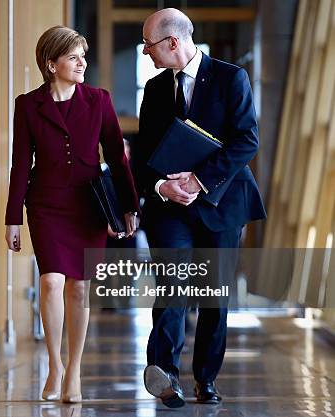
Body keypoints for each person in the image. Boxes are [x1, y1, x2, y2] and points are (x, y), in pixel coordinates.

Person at [135, 8, 266, 408]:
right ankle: (166, 374)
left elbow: (247, 140)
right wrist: (162, 186)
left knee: (213, 295)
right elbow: (143, 158)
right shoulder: (155, 90)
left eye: (149, 45)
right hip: (170, 209)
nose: (145, 53)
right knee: (172, 284)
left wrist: (199, 179)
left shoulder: (231, 78)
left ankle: (205, 379)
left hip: (222, 202)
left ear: (173, 42)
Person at [4, 25, 140, 403]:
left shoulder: (99, 100)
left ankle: (74, 368)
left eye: (84, 56)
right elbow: (19, 164)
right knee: (51, 282)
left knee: (79, 287)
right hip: (46, 204)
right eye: (73, 57)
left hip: (88, 204)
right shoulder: (28, 105)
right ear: (52, 64)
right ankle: (54, 364)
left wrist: (129, 207)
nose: (83, 63)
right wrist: (12, 218)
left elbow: (115, 155)